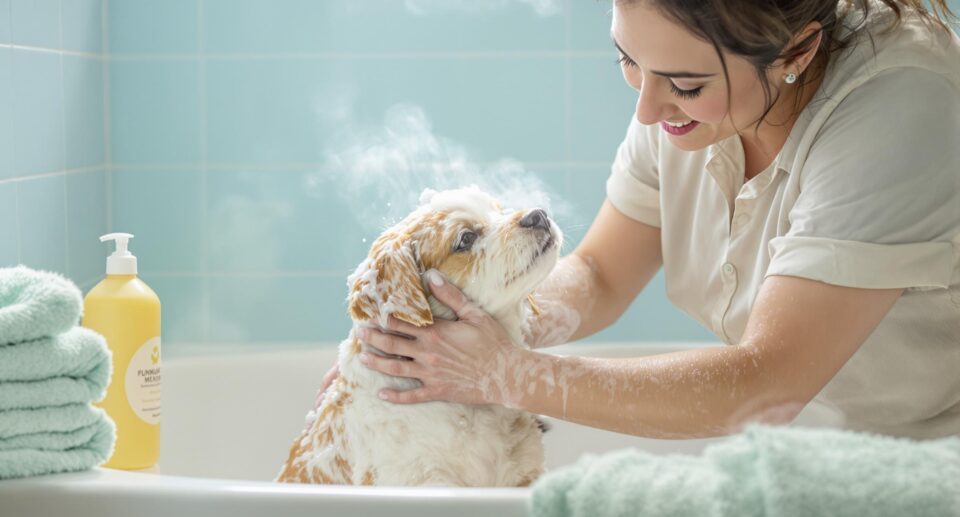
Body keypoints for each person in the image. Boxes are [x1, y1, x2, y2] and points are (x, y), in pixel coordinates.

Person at [325, 0, 960, 440]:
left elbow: (766, 383)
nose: (649, 110)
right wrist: (472, 328)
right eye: (627, 60)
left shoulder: (901, 105)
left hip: (926, 467)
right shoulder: (684, 93)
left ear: (797, 51)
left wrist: (508, 373)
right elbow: (600, 275)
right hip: (804, 451)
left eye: (684, 84)